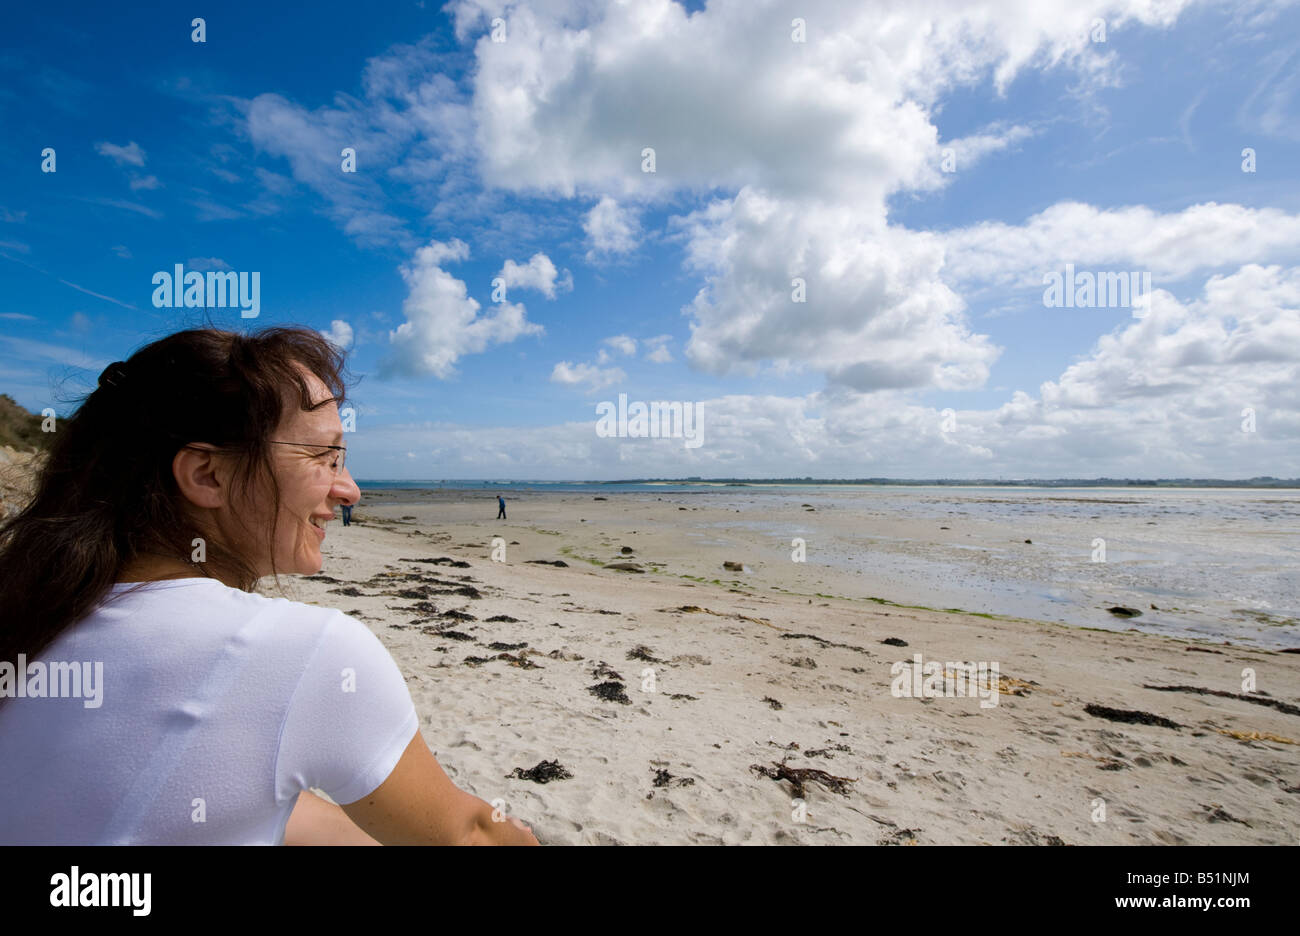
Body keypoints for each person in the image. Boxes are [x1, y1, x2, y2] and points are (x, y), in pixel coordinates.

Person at [0, 325, 538, 846]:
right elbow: (468, 835)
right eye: (325, 457)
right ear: (208, 474)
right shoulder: (300, 649)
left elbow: (239, 795)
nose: (349, 490)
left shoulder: (38, 606)